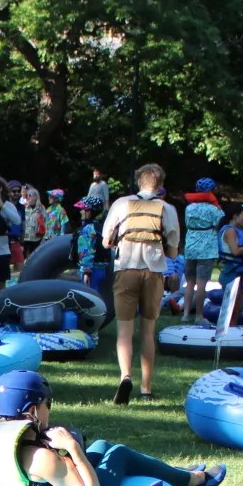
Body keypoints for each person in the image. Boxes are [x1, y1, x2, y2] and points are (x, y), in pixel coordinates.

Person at [0, 369, 225, 486]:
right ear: (33, 410)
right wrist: (72, 447)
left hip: (44, 485)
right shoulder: (41, 457)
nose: (49, 409)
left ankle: (176, 473)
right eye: (47, 403)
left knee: (102, 445)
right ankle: (193, 482)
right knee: (119, 454)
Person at [102, 163, 181, 404]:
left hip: (126, 269)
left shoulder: (121, 203)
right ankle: (146, 388)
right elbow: (173, 252)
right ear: (160, 185)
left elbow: (106, 241)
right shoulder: (167, 208)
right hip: (153, 273)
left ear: (139, 181)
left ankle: (125, 376)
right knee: (148, 331)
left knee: (124, 331)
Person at [181, 178, 224, 321]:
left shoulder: (189, 208)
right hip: (207, 249)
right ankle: (199, 315)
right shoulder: (214, 210)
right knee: (201, 283)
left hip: (190, 247)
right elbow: (218, 223)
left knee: (190, 282)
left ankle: (185, 314)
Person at [74, 198, 106, 294]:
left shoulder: (87, 229)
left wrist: (86, 273)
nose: (81, 212)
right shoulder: (100, 226)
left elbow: (86, 251)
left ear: (89, 212)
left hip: (91, 271)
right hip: (101, 269)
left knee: (89, 297)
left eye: (83, 209)